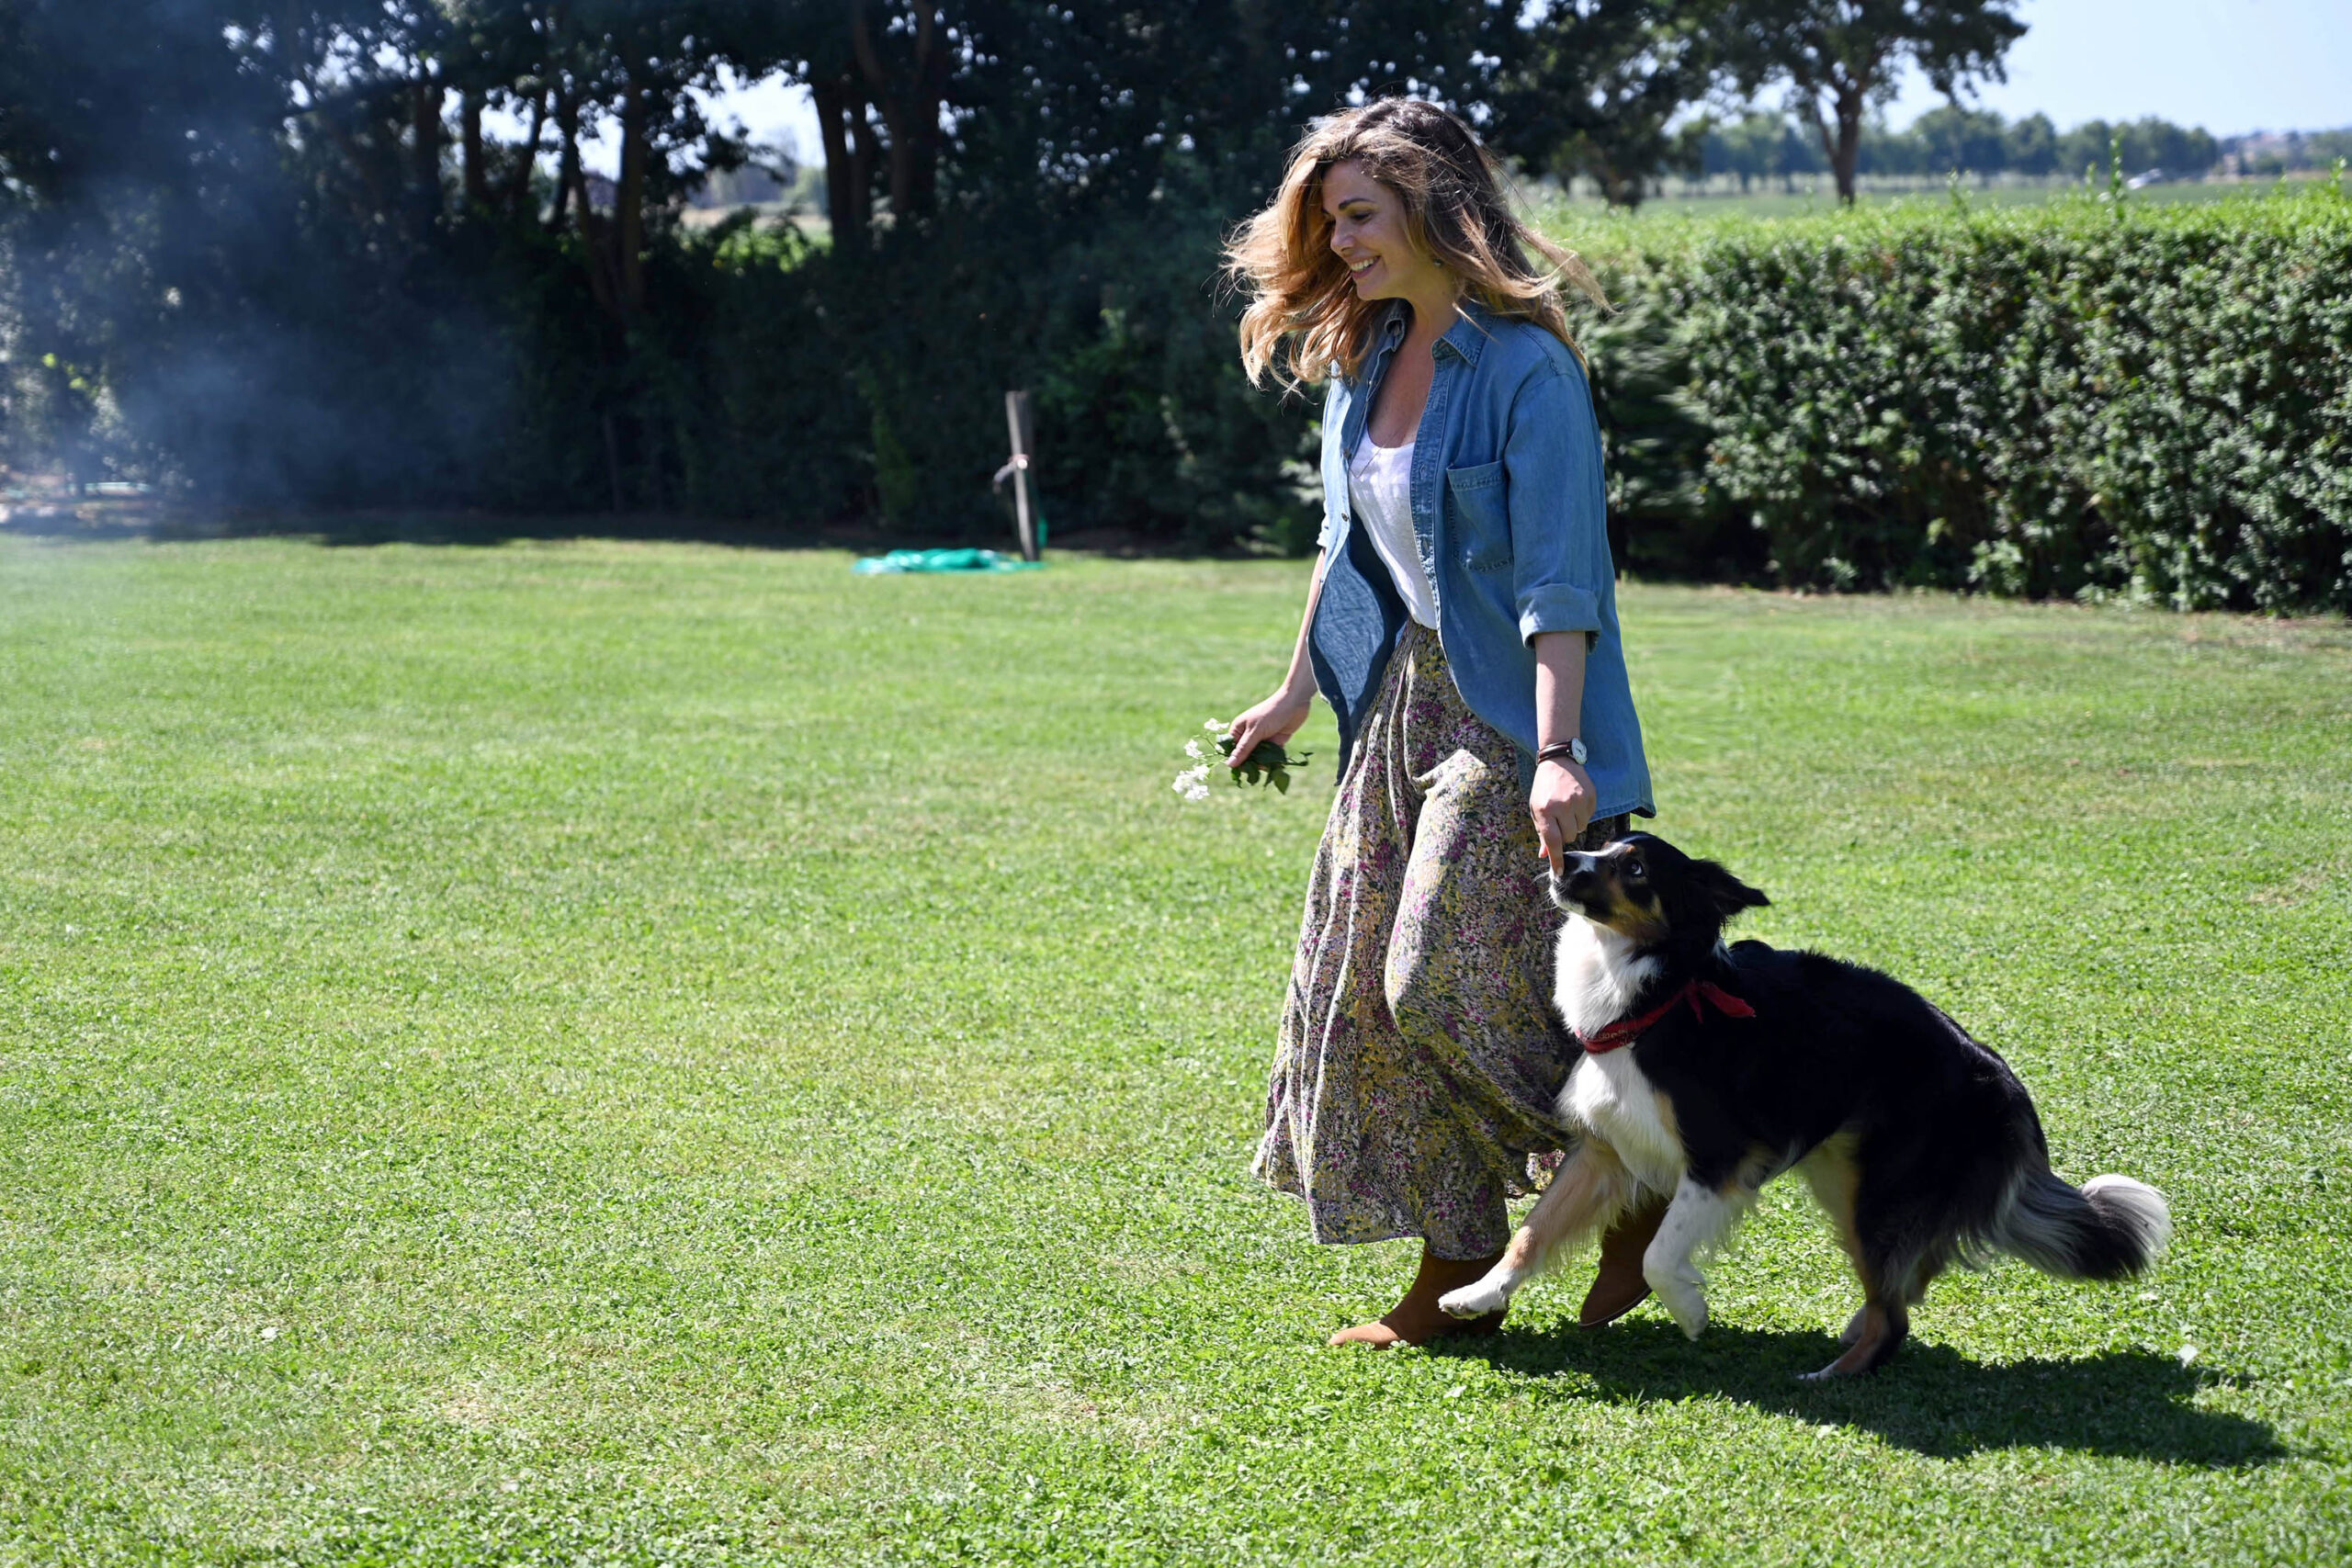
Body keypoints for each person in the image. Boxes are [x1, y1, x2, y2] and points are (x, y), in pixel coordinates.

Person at [1222, 98, 1662, 1347]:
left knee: (1437, 983)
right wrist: (1295, 692)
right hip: (1398, 708)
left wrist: (1562, 752)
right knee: (1361, 992)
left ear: (1430, 204)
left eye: (1358, 214)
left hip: (1514, 717)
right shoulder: (1364, 364)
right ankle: (1455, 1278)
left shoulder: (1527, 368)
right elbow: (1346, 549)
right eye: (1328, 221)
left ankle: (1636, 1168)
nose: (1342, 242)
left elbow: (1560, 577)